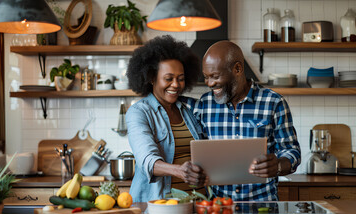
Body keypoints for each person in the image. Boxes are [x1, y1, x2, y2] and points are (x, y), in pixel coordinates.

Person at [183, 40, 301, 201]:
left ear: (237, 69)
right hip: (218, 207)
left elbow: (292, 151)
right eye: (206, 77)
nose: (210, 83)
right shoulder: (204, 105)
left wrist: (278, 165)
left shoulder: (273, 102)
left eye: (215, 76)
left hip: (262, 205)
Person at [125, 35, 208, 203]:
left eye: (181, 78)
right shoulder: (138, 112)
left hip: (198, 203)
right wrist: (179, 171)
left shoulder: (189, 110)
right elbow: (148, 161)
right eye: (168, 78)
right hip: (160, 205)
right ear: (151, 77)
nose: (176, 84)